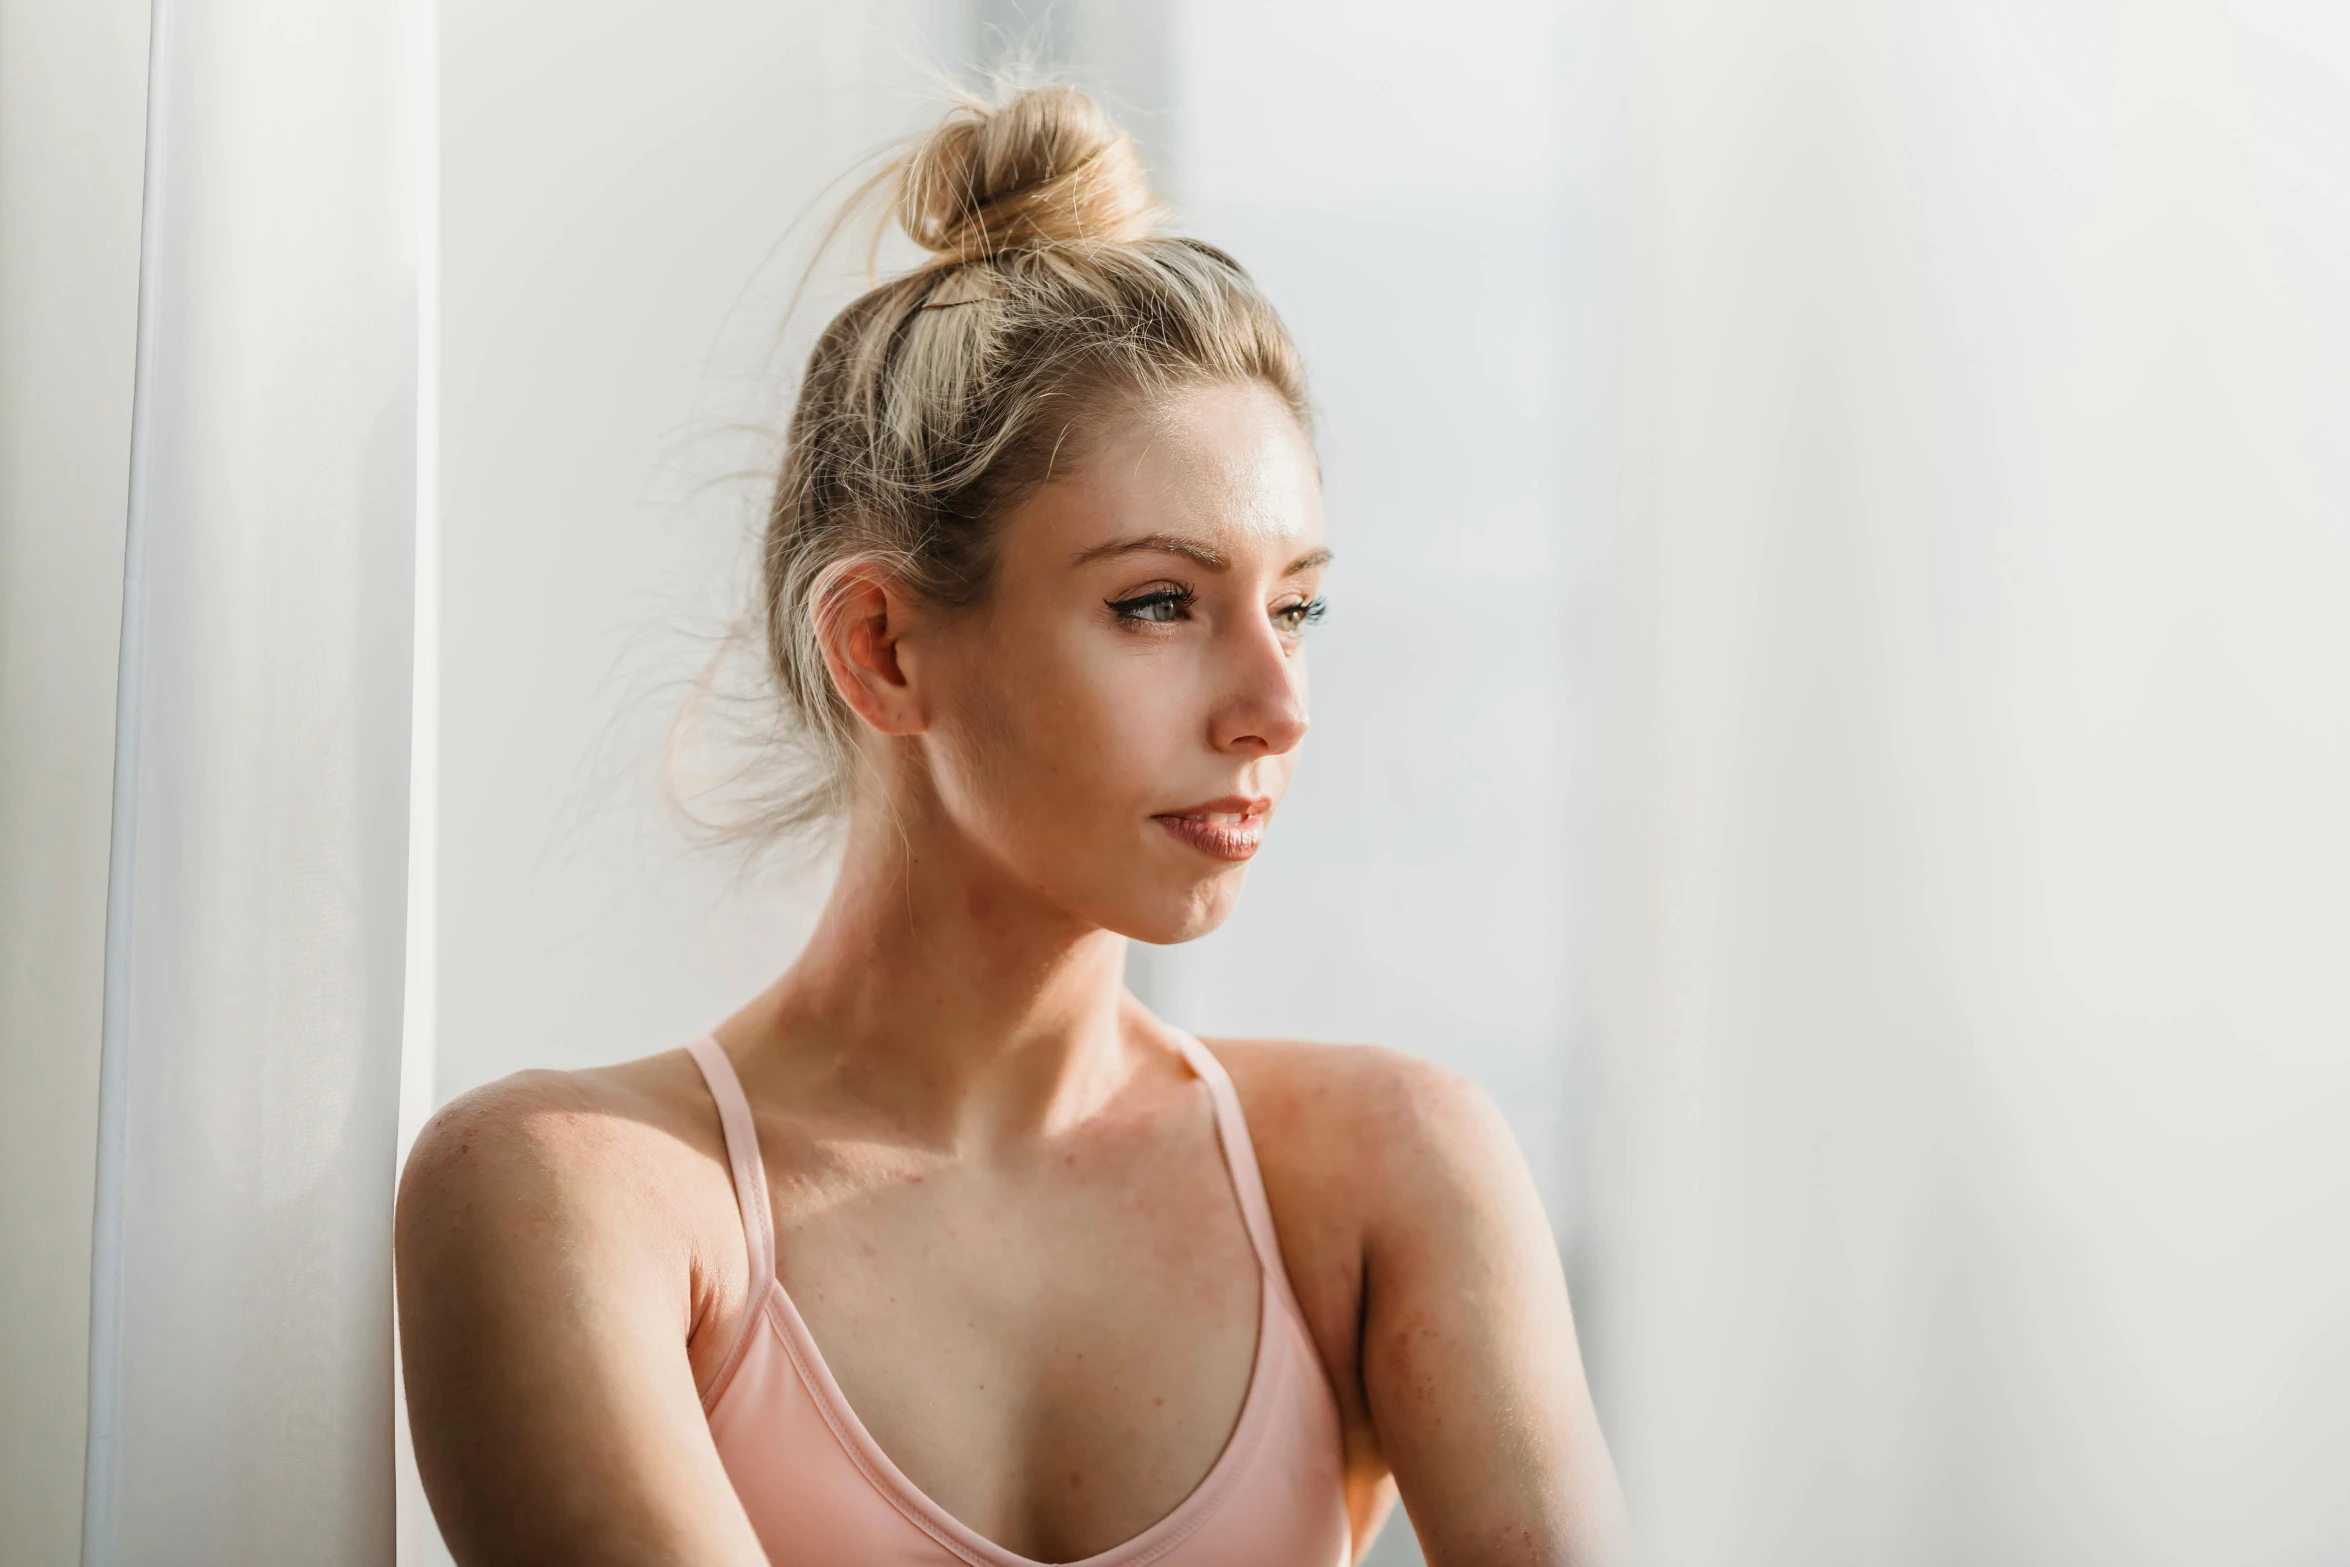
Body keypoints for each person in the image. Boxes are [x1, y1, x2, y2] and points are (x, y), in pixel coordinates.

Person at [396, 83, 1626, 1567]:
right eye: (1157, 604)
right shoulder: (573, 1196)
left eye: (1295, 605)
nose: (1276, 705)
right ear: (883, 649)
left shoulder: (1387, 1173)